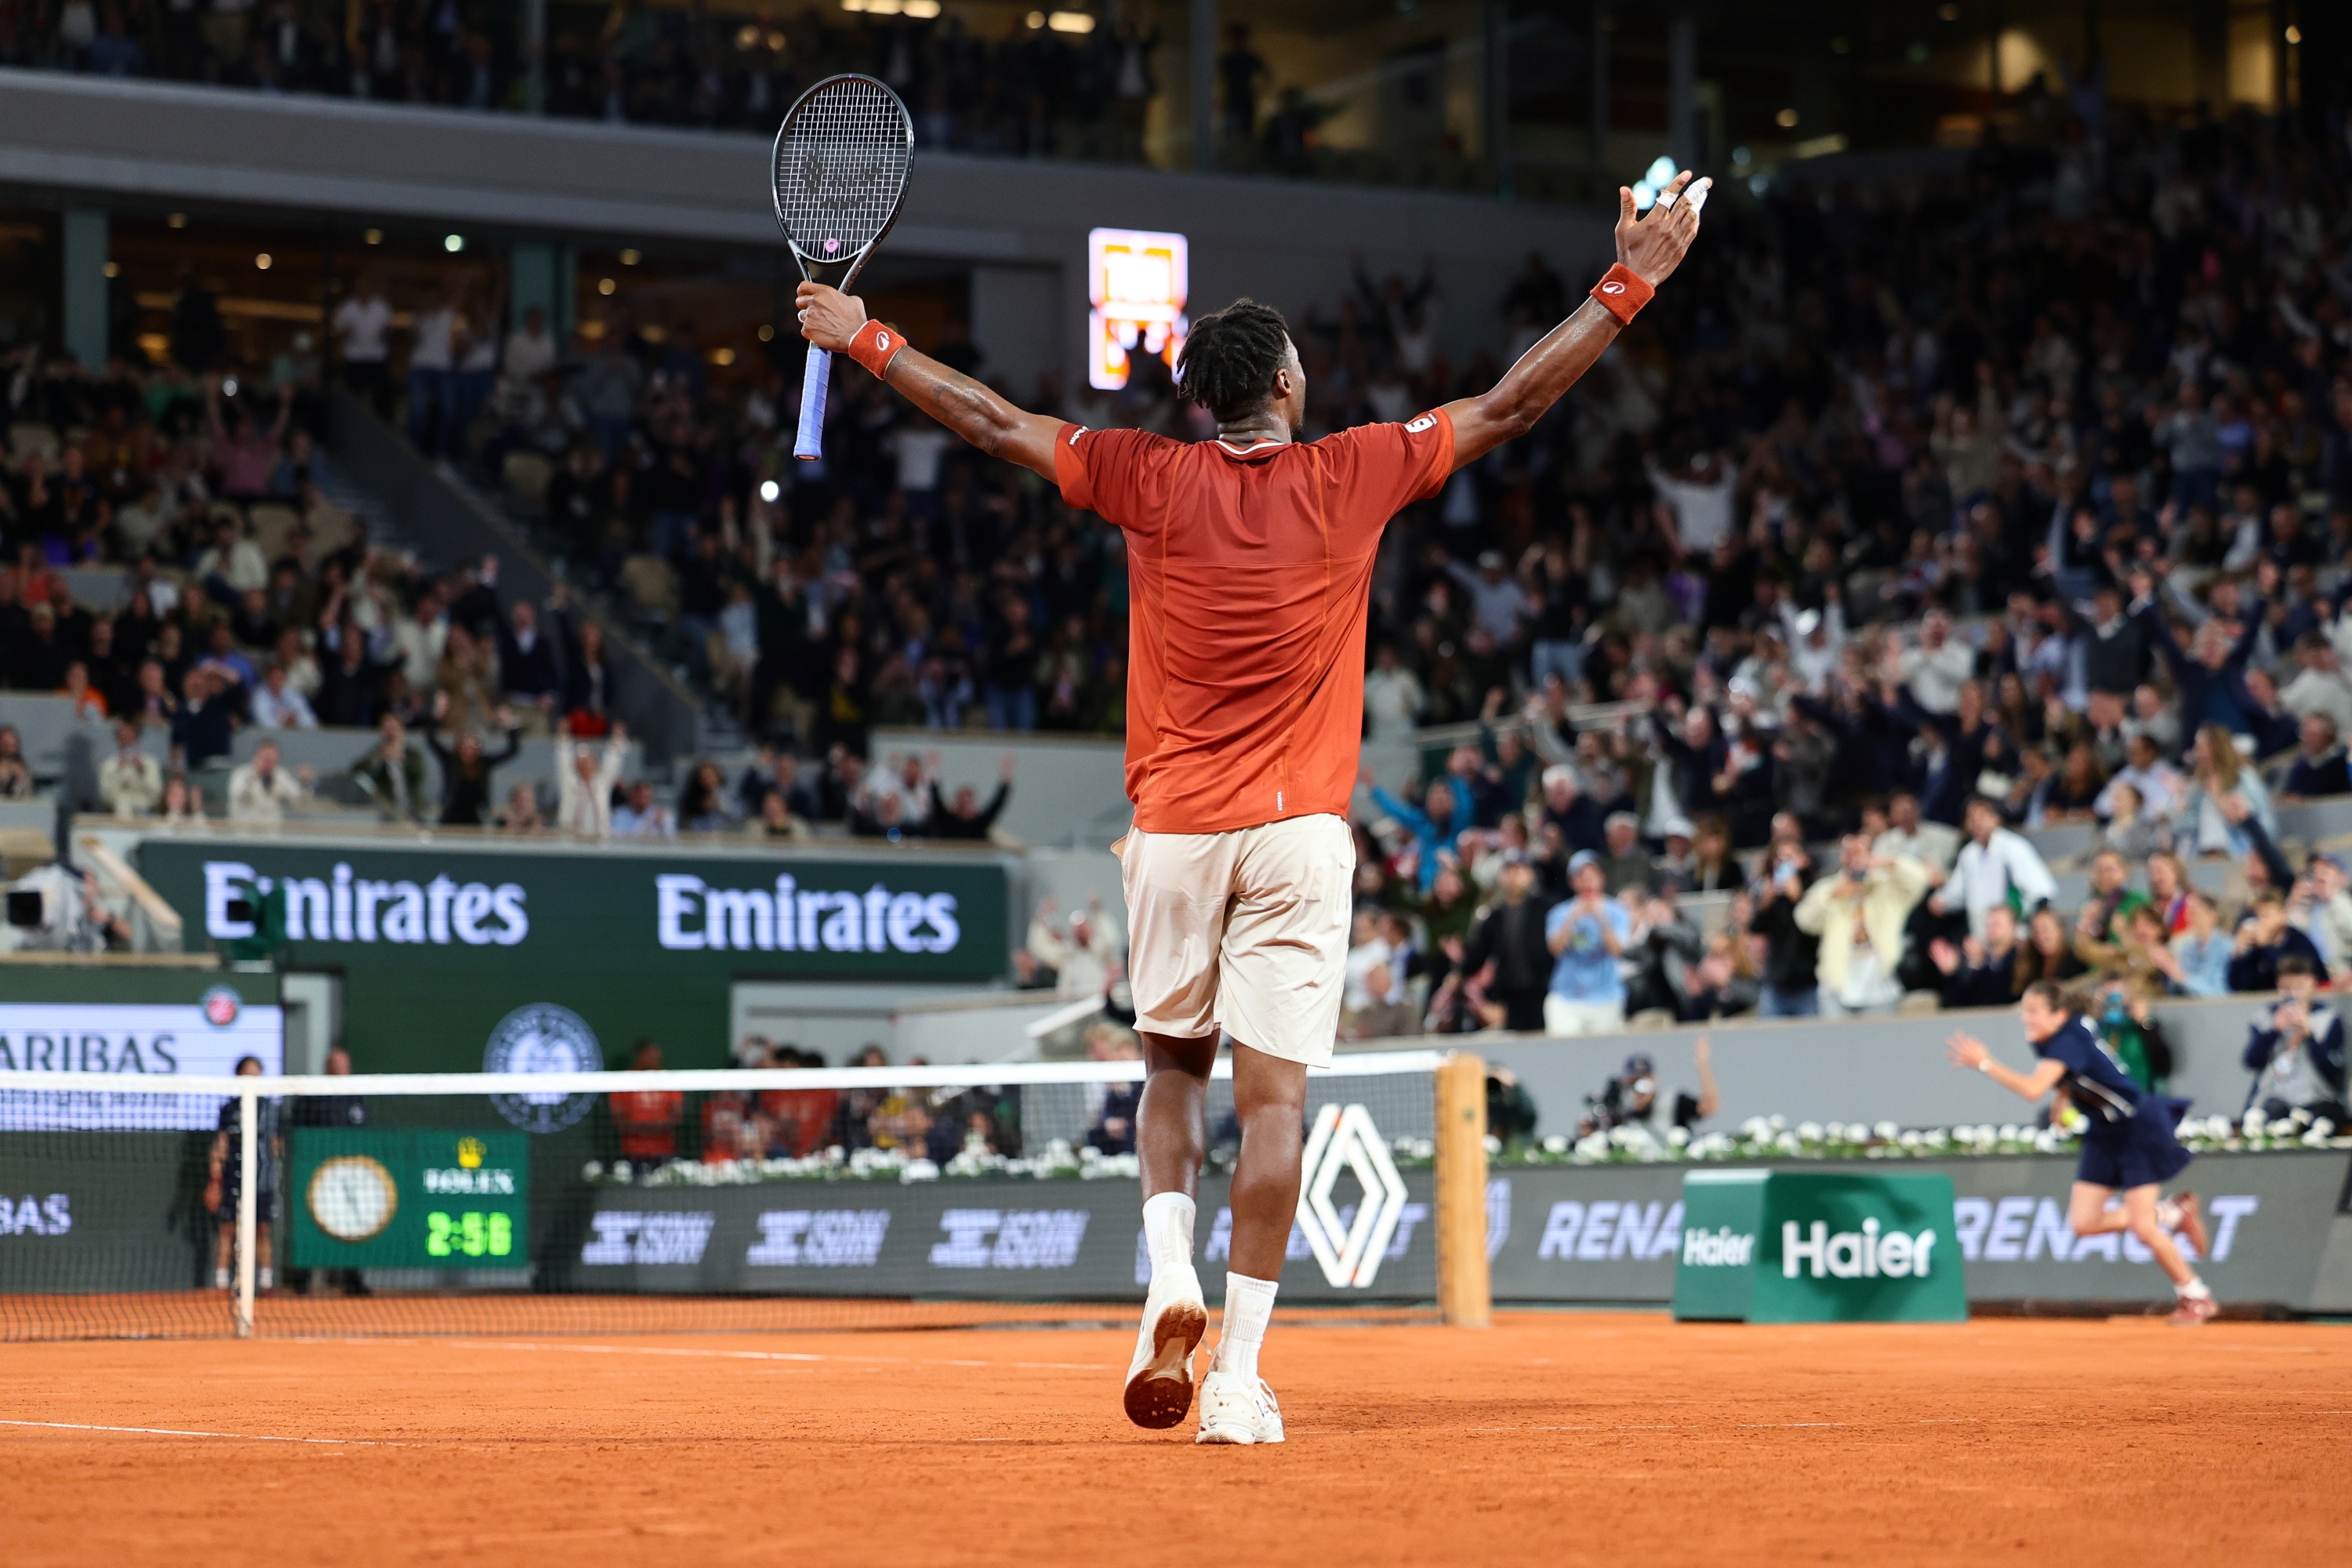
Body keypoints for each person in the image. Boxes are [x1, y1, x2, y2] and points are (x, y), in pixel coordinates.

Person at [794, 164, 1708, 1443]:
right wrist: (1634, 281)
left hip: (1170, 831)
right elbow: (1512, 403)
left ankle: (1168, 1278)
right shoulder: (1353, 473)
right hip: (1297, 836)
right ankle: (1240, 1377)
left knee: (1172, 1072)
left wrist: (868, 337)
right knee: (1275, 1105)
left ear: (1197, 400)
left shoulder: (1144, 478)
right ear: (1284, 386)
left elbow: (996, 423)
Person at [1946, 983, 2216, 1325]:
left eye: (2033, 1011)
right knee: (2083, 1224)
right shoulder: (2060, 1031)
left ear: (2058, 1014)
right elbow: (2077, 1071)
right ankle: (2174, 1214)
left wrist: (1984, 1062)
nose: (2025, 1018)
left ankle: (2196, 1296)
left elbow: (2032, 1089)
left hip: (2137, 1127)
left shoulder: (2065, 1040)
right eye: (2024, 1010)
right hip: (2103, 1131)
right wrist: (2063, 1098)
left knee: (2142, 1226)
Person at [285, 1047, 370, 1297]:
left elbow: (364, 1134)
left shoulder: (356, 1098)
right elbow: (298, 1130)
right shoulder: (314, 1096)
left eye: (344, 1065)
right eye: (336, 1065)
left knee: (351, 1227)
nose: (341, 1070)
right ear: (327, 1068)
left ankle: (351, 1279)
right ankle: (302, 1279)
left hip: (349, 1176)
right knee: (309, 1225)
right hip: (315, 1175)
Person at [2240, 956, 2349, 1127]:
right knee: (2270, 1114)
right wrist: (2273, 1031)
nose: (2294, 994)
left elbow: (2334, 1071)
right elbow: (2251, 1061)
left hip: (2318, 1097)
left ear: (2313, 984)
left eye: (2300, 987)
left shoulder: (2328, 1019)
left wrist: (2310, 1035)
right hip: (2276, 1097)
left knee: (2324, 1118)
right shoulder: (2266, 1018)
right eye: (2287, 988)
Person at [205, 1055, 281, 1293]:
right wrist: (215, 1180)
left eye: (257, 1072)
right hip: (233, 1179)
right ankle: (220, 1282)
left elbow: (276, 1147)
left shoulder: (271, 1110)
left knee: (263, 1230)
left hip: (263, 1182)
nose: (253, 1077)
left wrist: (273, 1176)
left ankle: (266, 1283)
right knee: (228, 1229)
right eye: (248, 1072)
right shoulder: (229, 1110)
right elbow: (220, 1145)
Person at [1935, 794, 2058, 938]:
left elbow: (2041, 891)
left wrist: (2027, 924)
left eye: (1982, 816)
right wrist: (1941, 898)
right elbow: (1956, 892)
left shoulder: (2013, 847)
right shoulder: (1968, 854)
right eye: (1971, 818)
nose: (1976, 822)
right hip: (1981, 935)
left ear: (1996, 818)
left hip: (2014, 936)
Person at [1457, 850, 1554, 1031]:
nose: (1513, 876)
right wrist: (1459, 971)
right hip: (1510, 996)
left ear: (1530, 874)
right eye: (1508, 871)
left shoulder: (1546, 908)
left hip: (1544, 991)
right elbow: (1478, 953)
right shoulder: (1495, 915)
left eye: (1518, 870)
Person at [1544, 851, 1632, 1034]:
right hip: (1566, 997)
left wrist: (1600, 917)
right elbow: (1555, 949)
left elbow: (1617, 950)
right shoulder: (1559, 913)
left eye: (1592, 875)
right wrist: (1573, 918)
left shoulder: (1617, 911)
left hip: (1605, 996)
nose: (1587, 881)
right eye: (1580, 876)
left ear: (1602, 878)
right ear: (1572, 882)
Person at [608, 1039, 682, 1171]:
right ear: (639, 1056)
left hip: (664, 1152)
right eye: (650, 1054)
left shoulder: (668, 1078)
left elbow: (677, 1116)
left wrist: (657, 1127)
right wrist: (647, 1127)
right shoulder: (624, 1080)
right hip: (633, 1153)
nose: (656, 1058)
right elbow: (617, 1118)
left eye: (657, 1054)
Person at [226, 740, 311, 826]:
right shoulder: (241, 773)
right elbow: (239, 796)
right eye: (266, 759)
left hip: (272, 833)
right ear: (257, 757)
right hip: (245, 832)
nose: (269, 764)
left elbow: (299, 801)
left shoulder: (280, 775)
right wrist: (254, 776)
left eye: (273, 760)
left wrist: (305, 783)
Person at [97, 719, 163, 817]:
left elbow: (156, 795)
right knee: (122, 800)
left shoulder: (150, 763)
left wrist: (143, 771)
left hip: (145, 814)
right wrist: (118, 771)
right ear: (117, 740)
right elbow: (105, 797)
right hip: (117, 814)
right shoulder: (108, 765)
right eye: (123, 738)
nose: (127, 743)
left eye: (130, 738)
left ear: (136, 739)